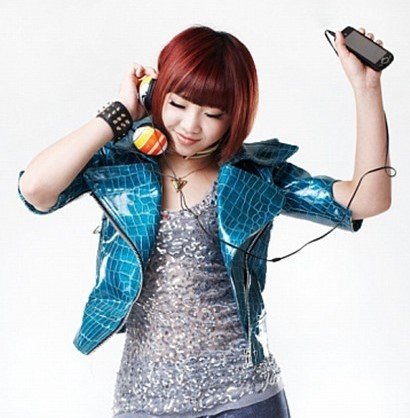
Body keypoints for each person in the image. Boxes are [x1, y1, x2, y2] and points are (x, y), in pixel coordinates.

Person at [17, 25, 391, 418]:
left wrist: (366, 88)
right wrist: (120, 115)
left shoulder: (254, 175)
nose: (191, 125)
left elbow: (368, 199)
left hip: (246, 397)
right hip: (143, 400)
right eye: (177, 104)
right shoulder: (122, 164)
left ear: (236, 115)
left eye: (213, 114)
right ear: (154, 93)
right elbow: (36, 189)